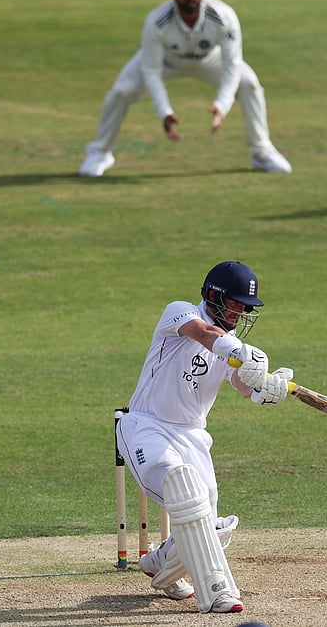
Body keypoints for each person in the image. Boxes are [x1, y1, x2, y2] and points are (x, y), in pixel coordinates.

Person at [115, 261, 293, 613]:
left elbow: (242, 384)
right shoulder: (179, 313)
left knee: (213, 527)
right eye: (237, 304)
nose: (241, 312)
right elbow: (203, 334)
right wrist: (237, 351)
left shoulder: (233, 344)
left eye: (246, 307)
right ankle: (217, 591)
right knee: (184, 488)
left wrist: (264, 388)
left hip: (194, 438)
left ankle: (159, 563)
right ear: (213, 296)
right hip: (147, 427)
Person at [78, 0, 292, 177]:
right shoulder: (157, 22)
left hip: (209, 60)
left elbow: (232, 65)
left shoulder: (224, 16)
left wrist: (221, 105)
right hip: (166, 62)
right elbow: (151, 72)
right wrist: (165, 111)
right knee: (121, 91)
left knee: (249, 83)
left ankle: (261, 151)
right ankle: (100, 152)